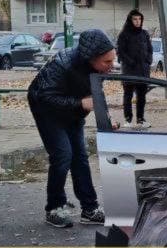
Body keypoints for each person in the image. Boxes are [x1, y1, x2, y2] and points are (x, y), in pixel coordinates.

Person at [27, 29, 117, 228]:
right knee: (63, 155)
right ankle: (54, 207)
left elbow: (95, 96)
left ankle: (89, 208)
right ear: (91, 58)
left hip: (71, 110)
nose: (112, 65)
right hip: (46, 109)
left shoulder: (98, 69)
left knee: (80, 157)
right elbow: (44, 96)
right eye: (107, 62)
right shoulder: (63, 64)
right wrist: (79, 103)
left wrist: (106, 119)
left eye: (113, 60)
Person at [116, 9, 154, 130]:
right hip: (129, 70)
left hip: (143, 70)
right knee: (128, 95)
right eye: (135, 19)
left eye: (139, 19)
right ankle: (128, 119)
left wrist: (148, 60)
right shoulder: (123, 34)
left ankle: (140, 119)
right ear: (130, 20)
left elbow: (150, 49)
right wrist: (130, 62)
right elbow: (120, 52)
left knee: (142, 96)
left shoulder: (144, 34)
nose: (137, 21)